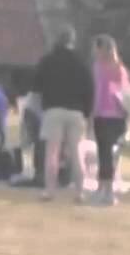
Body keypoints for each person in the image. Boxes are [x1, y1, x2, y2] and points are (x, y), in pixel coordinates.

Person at [33, 26, 94, 201]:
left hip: (53, 109)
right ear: (72, 41)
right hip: (76, 112)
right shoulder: (81, 62)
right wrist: (87, 113)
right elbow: (89, 90)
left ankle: (50, 190)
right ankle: (80, 192)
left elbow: (36, 88)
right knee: (76, 152)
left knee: (52, 152)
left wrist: (41, 110)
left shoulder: (47, 60)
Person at [88, 34, 130, 206]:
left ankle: (108, 191)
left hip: (111, 117)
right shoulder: (106, 68)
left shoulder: (111, 69)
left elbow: (122, 95)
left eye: (96, 48)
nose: (94, 52)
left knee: (107, 155)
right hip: (105, 116)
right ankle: (102, 189)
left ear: (102, 49)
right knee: (104, 154)